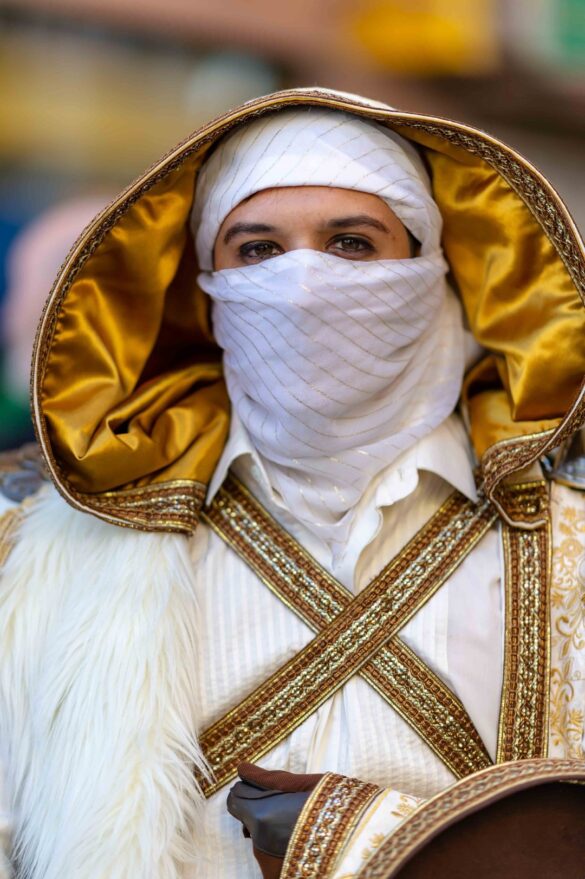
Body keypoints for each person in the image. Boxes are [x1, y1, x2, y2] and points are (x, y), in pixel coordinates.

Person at [0, 88, 583, 879]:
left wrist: (367, 838)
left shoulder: (568, 544)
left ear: (431, 268)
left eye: (350, 243)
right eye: (257, 250)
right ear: (205, 285)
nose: (303, 283)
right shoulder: (40, 544)